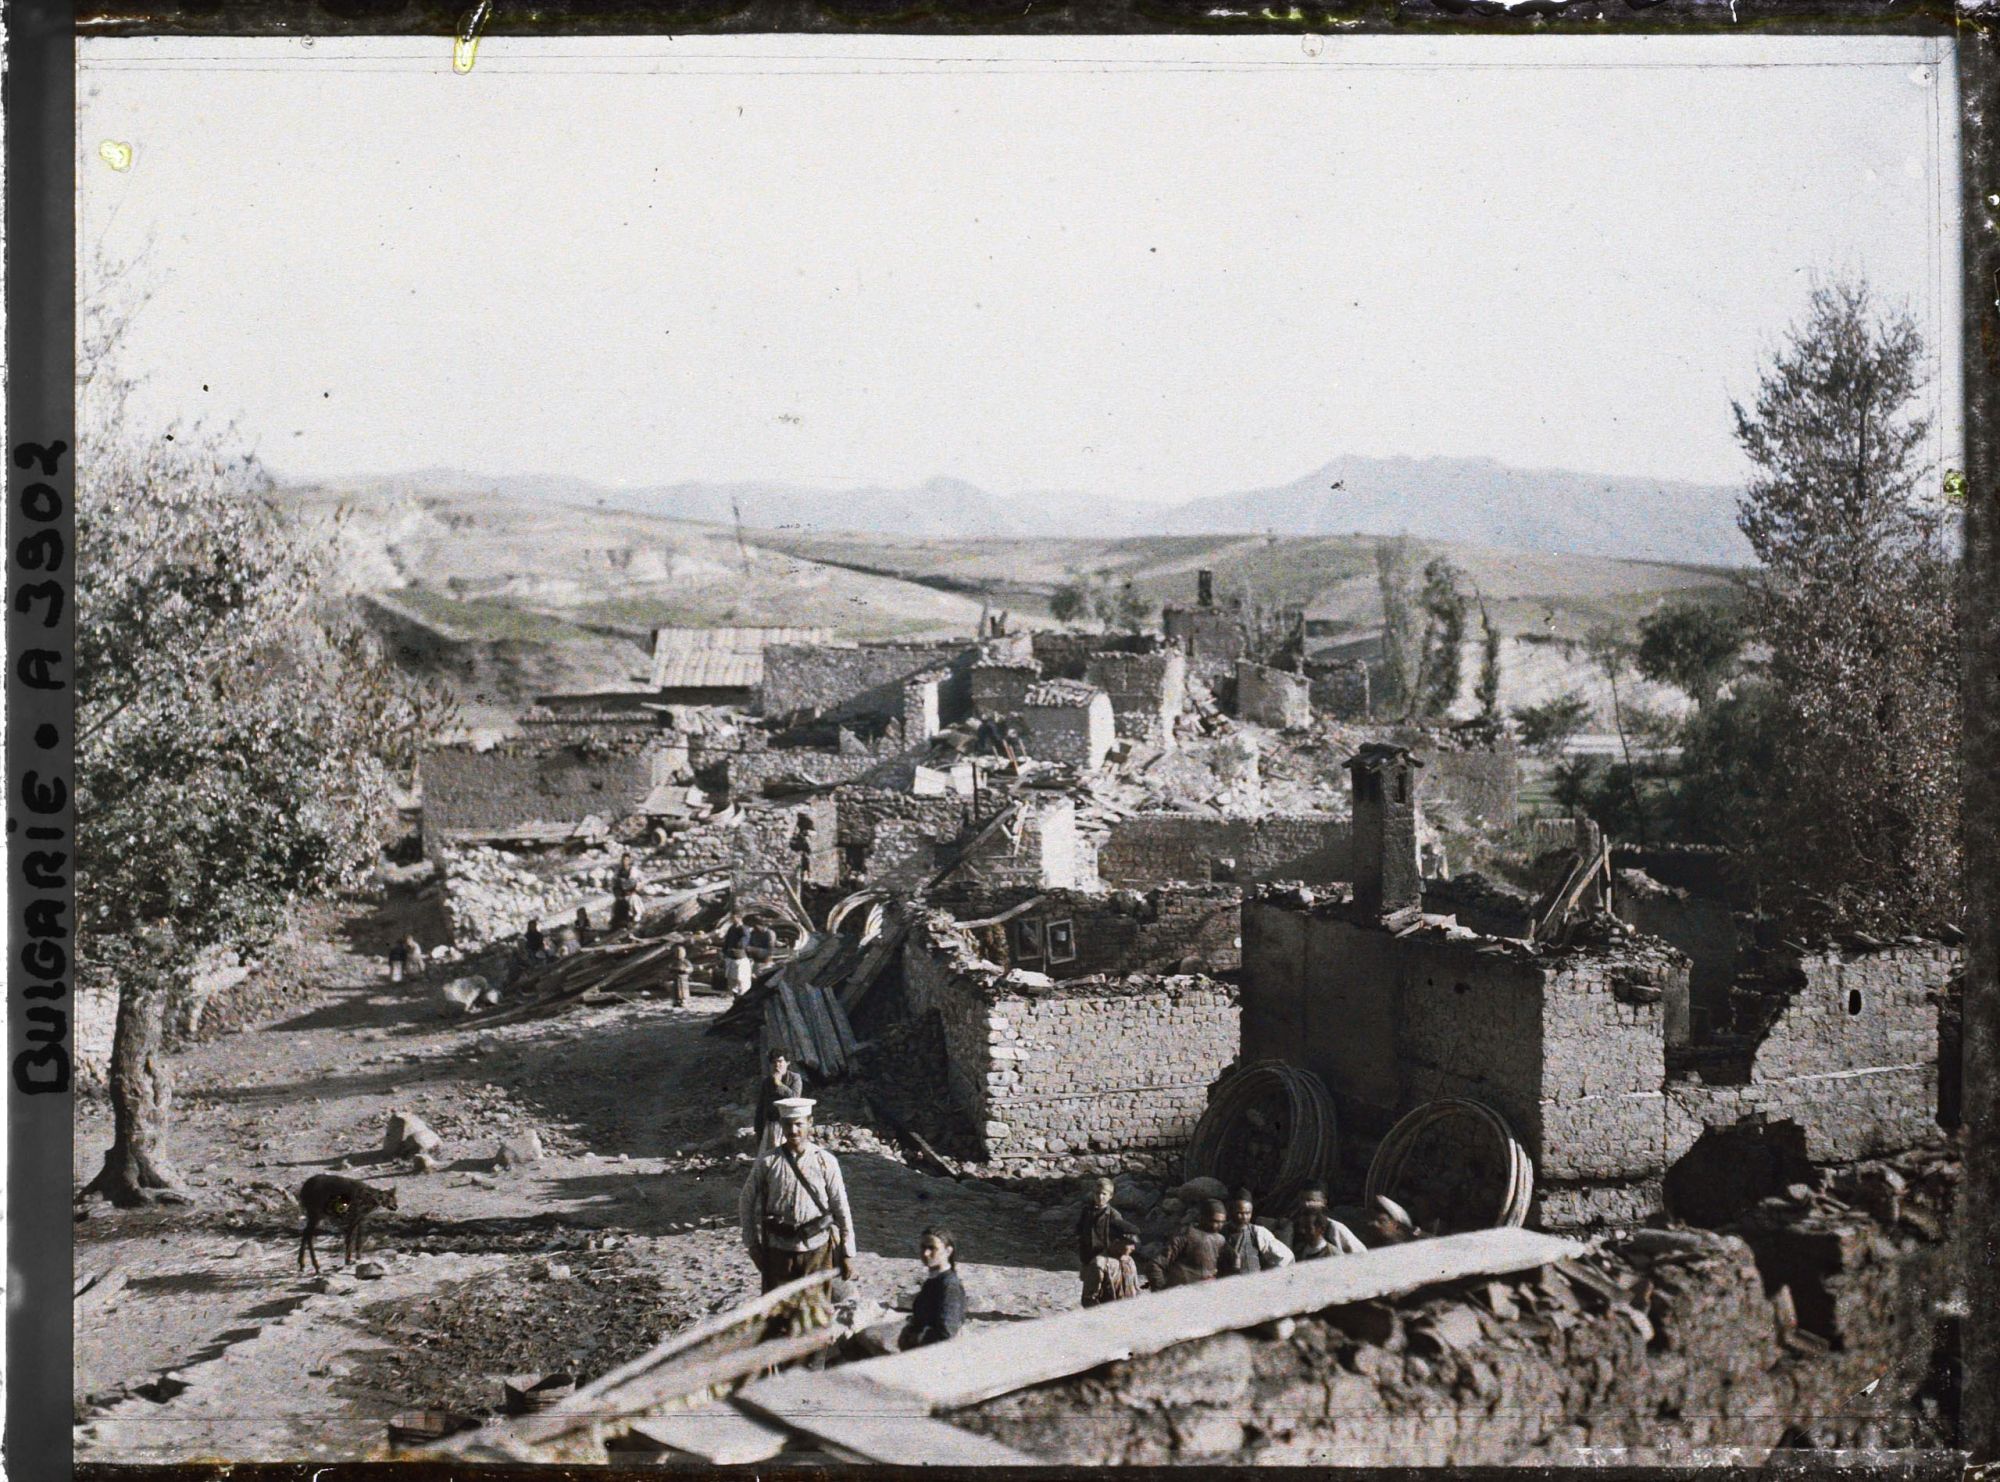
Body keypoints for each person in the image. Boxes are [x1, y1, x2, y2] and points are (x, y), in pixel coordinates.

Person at [739, 1097, 856, 1294]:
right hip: (778, 1251)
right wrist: (752, 1246)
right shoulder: (768, 1162)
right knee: (779, 1317)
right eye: (787, 1124)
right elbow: (746, 1200)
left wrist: (848, 1252)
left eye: (799, 1124)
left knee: (816, 1315)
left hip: (817, 1251)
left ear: (810, 1123)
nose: (793, 1130)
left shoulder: (826, 1161)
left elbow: (840, 1205)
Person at [899, 1225, 966, 1349]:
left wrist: (916, 1338)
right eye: (923, 1247)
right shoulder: (933, 1280)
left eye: (932, 1248)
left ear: (948, 1251)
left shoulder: (949, 1285)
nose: (926, 1253)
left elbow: (947, 1332)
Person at [1075, 1176, 1139, 1299]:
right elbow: (1080, 1229)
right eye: (1097, 1193)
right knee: (1089, 1289)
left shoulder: (1113, 1215)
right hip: (1088, 1255)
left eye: (1104, 1194)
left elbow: (1127, 1232)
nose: (1100, 1197)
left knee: (1106, 1289)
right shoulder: (1087, 1211)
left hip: (1106, 1256)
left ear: (1110, 1196)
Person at [1144, 1199, 1228, 1289]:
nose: (1219, 1226)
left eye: (1222, 1222)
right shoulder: (1187, 1235)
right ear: (1202, 1218)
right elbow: (1154, 1265)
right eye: (1214, 1221)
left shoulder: (1221, 1240)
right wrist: (1162, 1291)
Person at [1219, 1189, 1294, 1276]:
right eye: (1239, 1213)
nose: (1244, 1217)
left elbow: (1286, 1256)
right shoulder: (1221, 1231)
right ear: (1231, 1210)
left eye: (1247, 1213)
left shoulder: (1257, 1232)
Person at [753, 1048, 805, 1155]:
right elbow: (761, 1106)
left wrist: (779, 1084)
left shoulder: (795, 1078)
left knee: (787, 1156)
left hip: (788, 1126)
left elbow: (795, 1097)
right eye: (774, 1062)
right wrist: (758, 1129)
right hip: (770, 1125)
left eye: (780, 1061)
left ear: (787, 1063)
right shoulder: (767, 1082)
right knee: (769, 1156)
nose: (777, 1065)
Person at [1082, 1228, 1144, 1308]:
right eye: (1130, 1244)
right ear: (1116, 1242)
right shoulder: (1099, 1264)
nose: (1133, 1248)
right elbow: (1089, 1299)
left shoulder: (1129, 1260)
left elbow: (1136, 1289)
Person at [719, 910, 752, 997]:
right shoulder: (732, 928)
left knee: (740, 978)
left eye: (733, 918)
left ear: (739, 918)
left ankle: (742, 995)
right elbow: (727, 941)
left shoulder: (744, 929)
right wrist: (724, 951)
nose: (732, 919)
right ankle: (734, 995)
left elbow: (743, 942)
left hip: (739, 957)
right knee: (731, 978)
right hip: (730, 956)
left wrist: (737, 947)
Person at [668, 942, 693, 1006]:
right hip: (676, 979)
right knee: (676, 991)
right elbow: (669, 968)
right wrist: (674, 969)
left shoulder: (686, 962)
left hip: (684, 979)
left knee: (684, 990)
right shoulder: (674, 962)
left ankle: (684, 1000)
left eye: (680, 952)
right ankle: (676, 1001)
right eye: (677, 952)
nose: (679, 954)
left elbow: (690, 968)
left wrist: (685, 970)